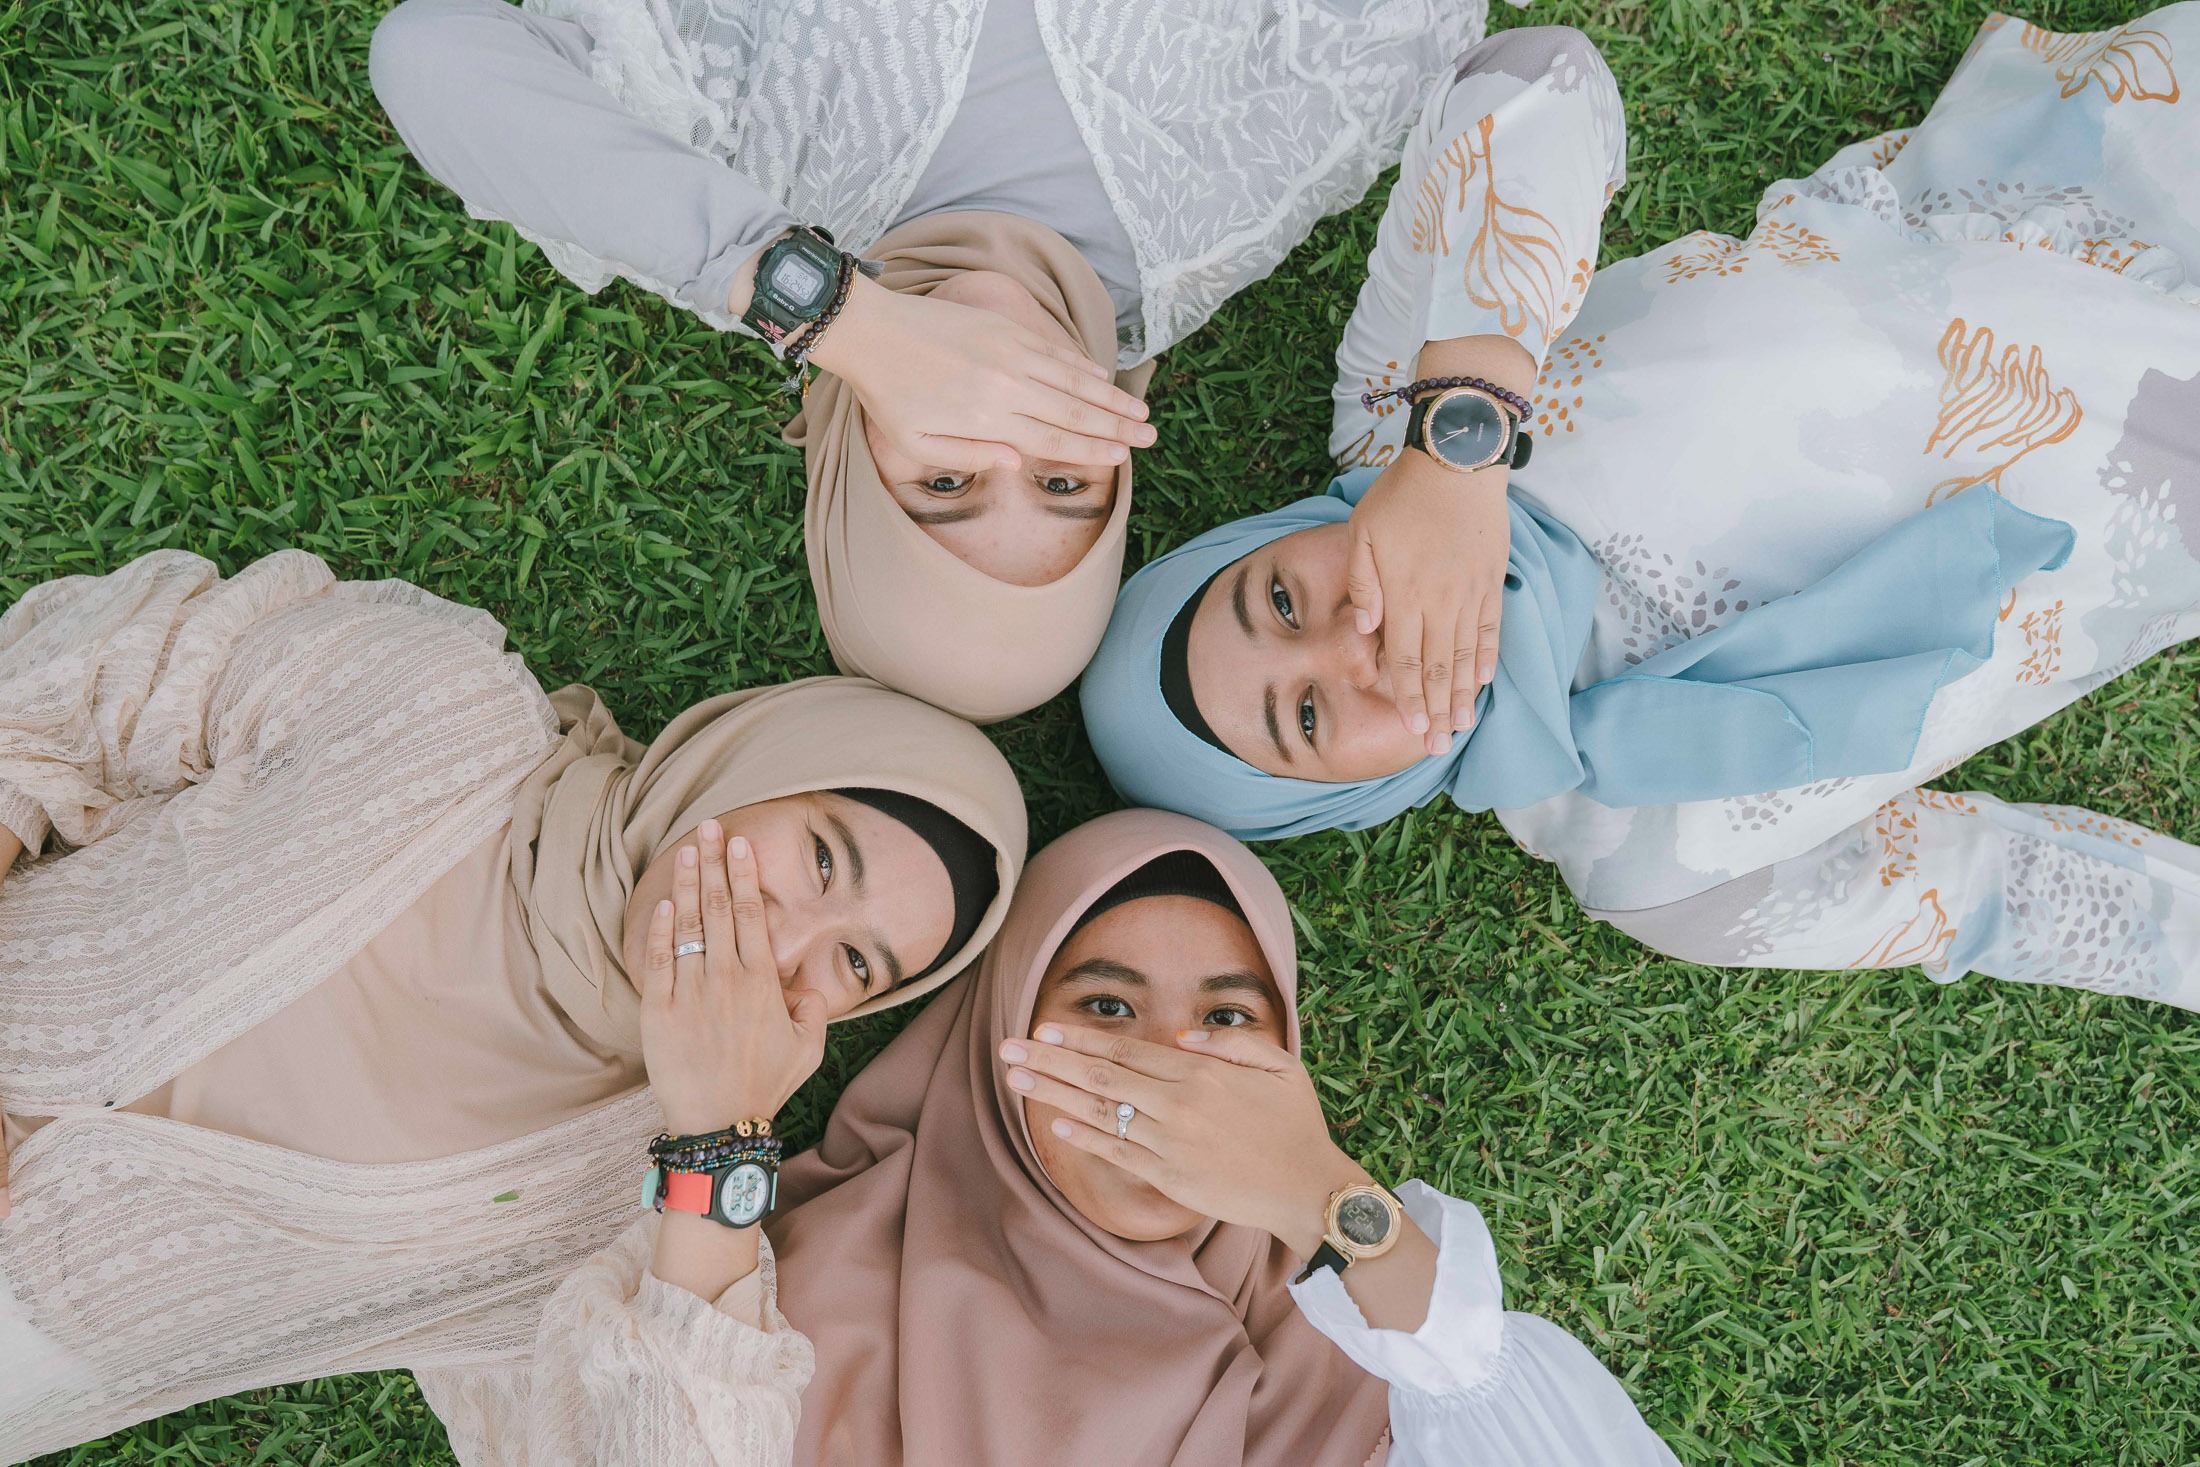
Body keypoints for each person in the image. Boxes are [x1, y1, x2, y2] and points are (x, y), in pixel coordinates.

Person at [1084, 15, 2200, 1007]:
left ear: (1278, 535)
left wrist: (1455, 449)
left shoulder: (1395, 423)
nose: (1352, 640)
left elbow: (1536, 81)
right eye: (1312, 720)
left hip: (2121, 197)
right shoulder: (1659, 873)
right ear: (1356, 801)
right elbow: (2000, 895)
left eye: (1280, 598)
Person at [0, 549, 1025, 1459]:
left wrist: (720, 1139)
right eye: (817, 858)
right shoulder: (441, 712)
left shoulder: (611, 1208)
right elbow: (87, 676)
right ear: (747, 769)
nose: (781, 944)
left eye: (855, 965)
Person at [416, 807, 1680, 1466]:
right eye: (1105, 1007)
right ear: (993, 1040)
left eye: (1228, 1021)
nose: (1163, 1069)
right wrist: (712, 1145)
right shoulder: (763, 1297)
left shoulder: (1338, 1388)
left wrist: (1329, 1199)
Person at [367, 0, 1496, 719]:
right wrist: (1458, 460)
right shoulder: (1228, 215)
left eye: (943, 484)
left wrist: (840, 319)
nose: (997, 428)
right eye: (1063, 482)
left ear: (847, 459)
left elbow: (432, 52)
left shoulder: (731, 202)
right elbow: (1508, 67)